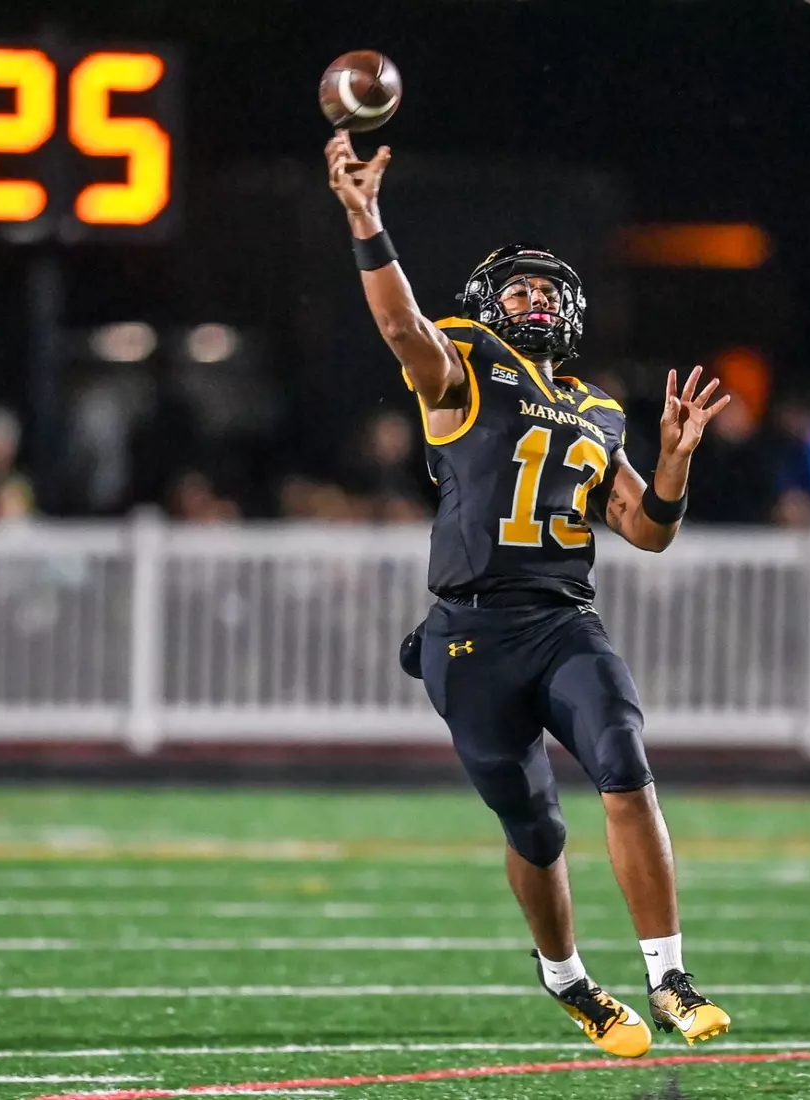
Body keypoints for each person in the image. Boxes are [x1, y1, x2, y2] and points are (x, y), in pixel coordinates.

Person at [325, 132, 732, 1057]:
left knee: (623, 756)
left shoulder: (597, 407)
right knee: (536, 825)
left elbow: (648, 530)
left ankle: (668, 974)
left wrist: (672, 463)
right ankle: (570, 980)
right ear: (485, 305)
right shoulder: (463, 362)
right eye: (518, 288)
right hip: (471, 631)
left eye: (549, 289)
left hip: (560, 620)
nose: (535, 298)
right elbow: (400, 328)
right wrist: (364, 219)